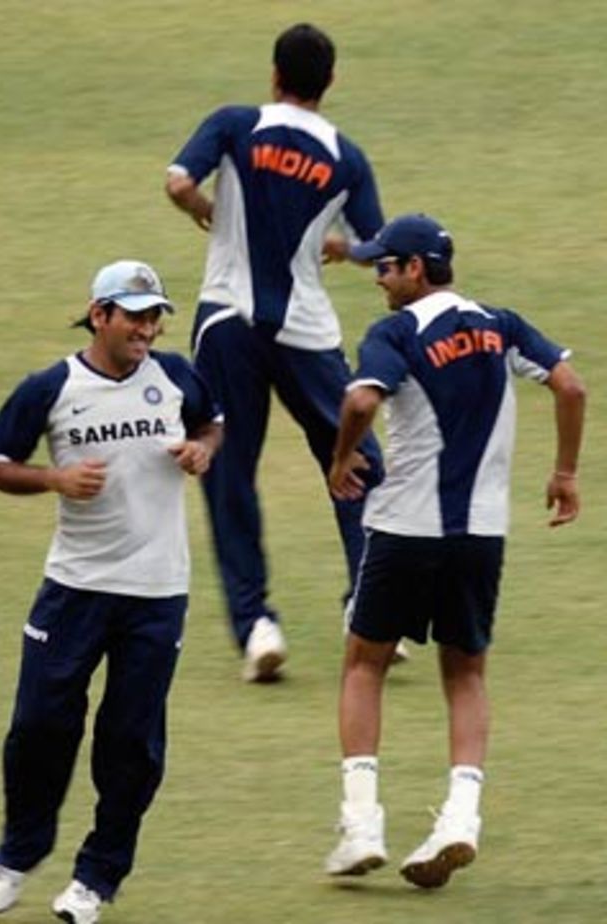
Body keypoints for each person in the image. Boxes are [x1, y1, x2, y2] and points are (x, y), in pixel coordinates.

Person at [322, 214, 585, 888]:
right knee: (465, 674)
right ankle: (461, 818)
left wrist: (343, 456)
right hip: (482, 535)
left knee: (363, 663)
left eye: (386, 267)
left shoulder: (396, 332)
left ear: (415, 270)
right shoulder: (502, 325)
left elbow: (359, 399)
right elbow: (570, 386)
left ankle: (361, 826)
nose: (379, 277)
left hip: (406, 527)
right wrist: (564, 473)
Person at [0, 261, 223, 924]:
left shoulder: (176, 376)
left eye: (154, 314)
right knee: (37, 728)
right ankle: (18, 854)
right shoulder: (51, 387)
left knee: (131, 741)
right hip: (74, 587)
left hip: (158, 591)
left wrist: (203, 450)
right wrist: (54, 480)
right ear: (99, 313)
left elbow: (211, 423)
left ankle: (97, 877)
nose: (147, 327)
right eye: (134, 314)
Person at [165, 22, 388, 681]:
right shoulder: (345, 157)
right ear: (330, 83)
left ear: (273, 75)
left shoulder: (236, 125)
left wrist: (205, 210)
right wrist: (341, 248)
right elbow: (376, 246)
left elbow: (178, 183)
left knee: (228, 466)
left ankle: (257, 626)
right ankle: (369, 610)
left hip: (227, 319)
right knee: (357, 462)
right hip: (308, 330)